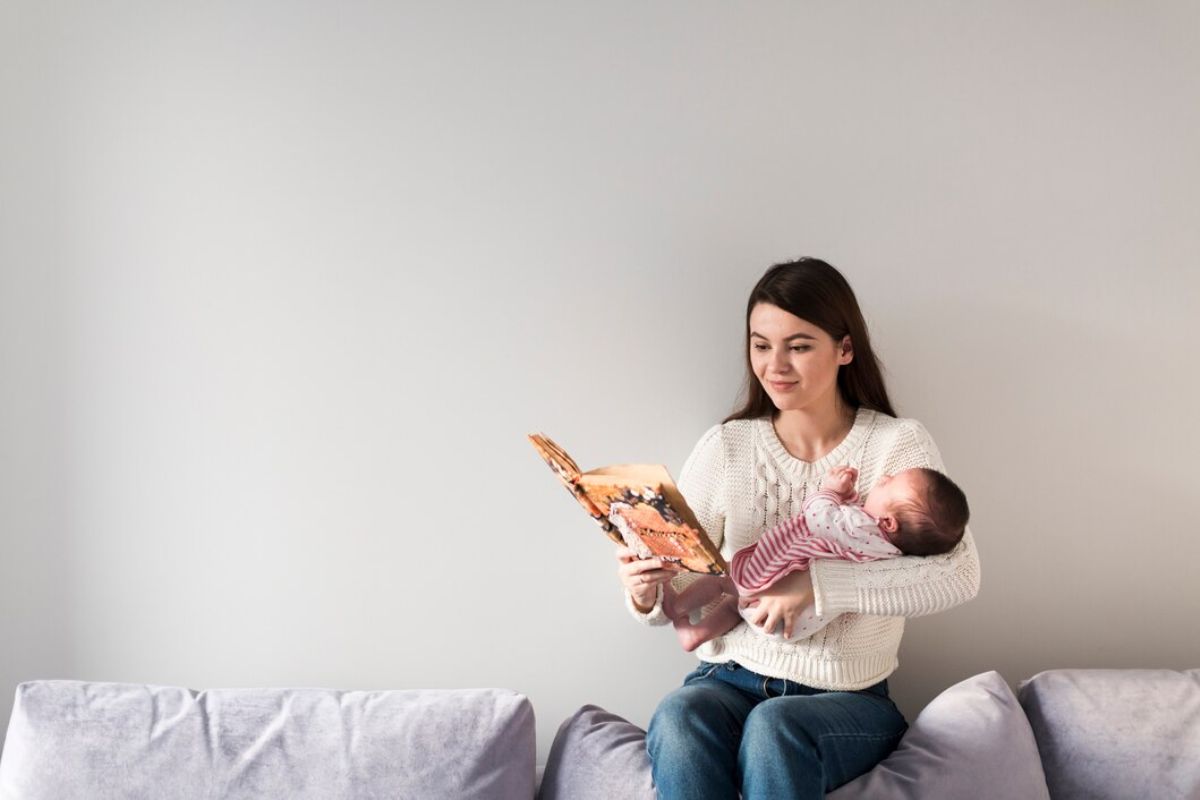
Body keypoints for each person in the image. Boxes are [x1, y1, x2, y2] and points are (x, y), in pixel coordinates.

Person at [615, 257, 981, 799]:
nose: (775, 365)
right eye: (761, 345)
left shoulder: (896, 446)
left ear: (845, 349)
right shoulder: (727, 447)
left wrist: (817, 586)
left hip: (845, 696)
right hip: (726, 680)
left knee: (774, 728)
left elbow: (958, 577)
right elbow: (689, 589)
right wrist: (645, 593)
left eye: (799, 346)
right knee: (678, 715)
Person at [662, 463, 970, 652]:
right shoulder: (886, 547)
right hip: (795, 624)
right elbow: (845, 528)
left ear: (888, 523)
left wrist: (830, 491)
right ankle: (696, 634)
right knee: (735, 606)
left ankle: (678, 605)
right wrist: (849, 498)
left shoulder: (864, 527)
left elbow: (821, 518)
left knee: (725, 580)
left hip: (776, 598)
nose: (884, 476)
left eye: (888, 483)